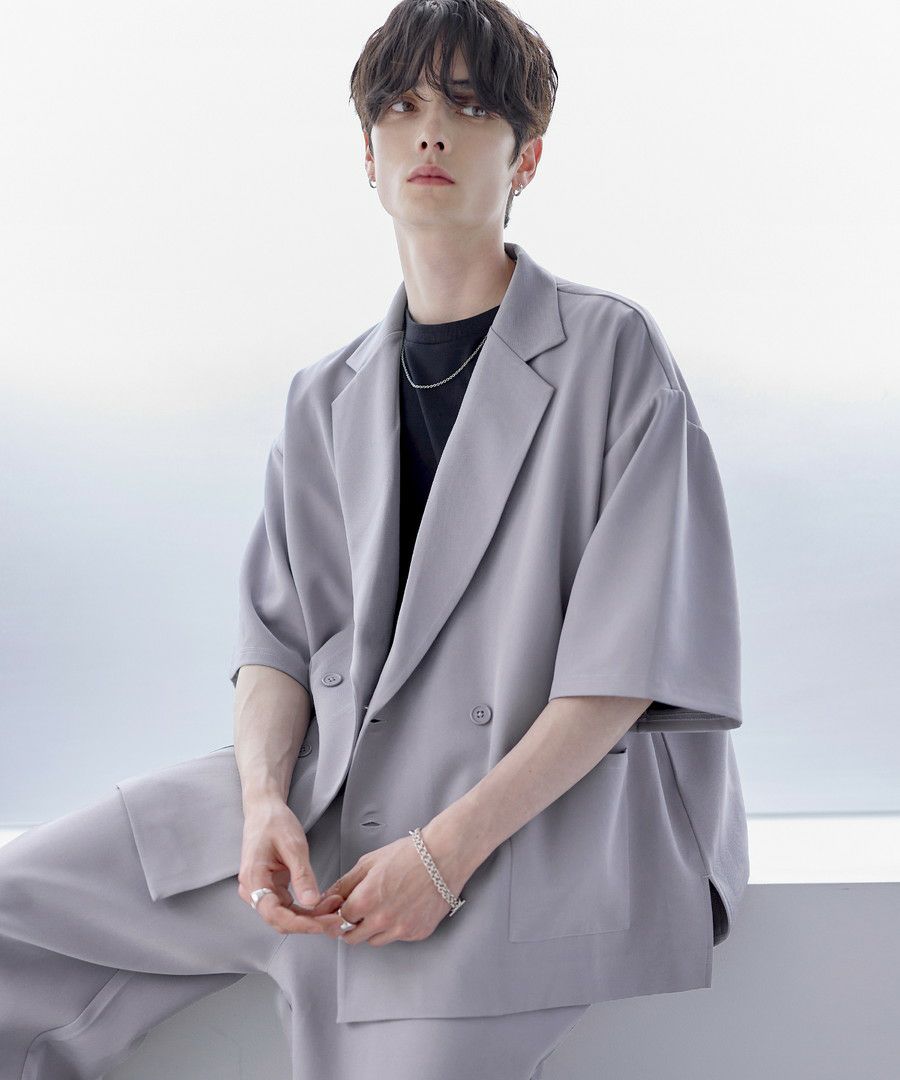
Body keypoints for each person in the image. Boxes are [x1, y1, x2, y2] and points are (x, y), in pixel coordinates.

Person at [0, 1, 749, 1077]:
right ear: (367, 153)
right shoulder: (325, 394)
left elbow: (625, 671)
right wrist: (263, 803)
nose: (429, 130)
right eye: (401, 107)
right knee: (18, 910)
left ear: (527, 157)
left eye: (469, 107)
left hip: (535, 815)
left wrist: (441, 857)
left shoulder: (612, 351)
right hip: (333, 784)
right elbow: (278, 644)